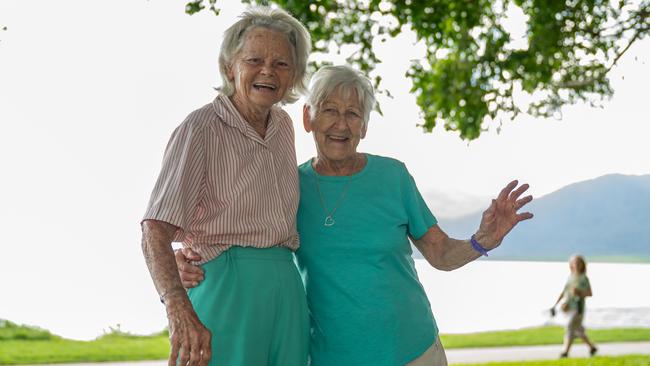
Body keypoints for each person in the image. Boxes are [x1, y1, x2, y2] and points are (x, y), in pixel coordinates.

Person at [177, 65, 534, 365]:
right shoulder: (288, 184)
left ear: (364, 126)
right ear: (308, 118)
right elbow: (244, 234)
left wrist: (482, 240)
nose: (341, 124)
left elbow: (440, 254)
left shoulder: (393, 176)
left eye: (353, 113)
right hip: (331, 356)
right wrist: (191, 257)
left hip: (413, 350)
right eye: (329, 110)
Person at [140, 7, 312, 366]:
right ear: (230, 66)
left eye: (281, 63)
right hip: (226, 287)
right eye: (254, 59)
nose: (268, 71)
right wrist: (177, 308)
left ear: (293, 74)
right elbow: (155, 229)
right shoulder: (200, 128)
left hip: (286, 287)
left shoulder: (283, 126)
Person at [552, 255, 598, 358]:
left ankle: (565, 351)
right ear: (571, 265)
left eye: (578, 263)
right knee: (578, 330)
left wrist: (580, 292)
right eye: (574, 263)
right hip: (569, 307)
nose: (576, 265)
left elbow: (590, 293)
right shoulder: (570, 277)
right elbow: (564, 292)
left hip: (578, 308)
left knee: (569, 327)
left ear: (582, 265)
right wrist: (555, 305)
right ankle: (591, 347)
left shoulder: (584, 278)